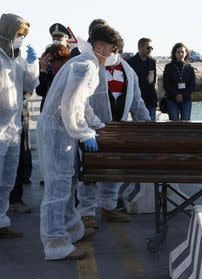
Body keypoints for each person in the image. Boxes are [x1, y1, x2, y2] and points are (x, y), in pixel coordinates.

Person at [37, 24, 123, 260]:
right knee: (58, 186)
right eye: (112, 49)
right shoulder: (86, 67)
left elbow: (81, 103)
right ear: (99, 46)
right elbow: (70, 106)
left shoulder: (85, 63)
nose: (114, 54)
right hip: (58, 129)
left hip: (59, 127)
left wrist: (95, 123)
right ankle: (55, 243)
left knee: (67, 181)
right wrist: (83, 133)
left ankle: (71, 229)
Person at [78, 49, 151, 230]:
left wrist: (147, 123)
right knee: (90, 172)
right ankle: (86, 212)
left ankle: (109, 207)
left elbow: (136, 100)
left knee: (114, 170)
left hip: (119, 130)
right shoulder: (91, 67)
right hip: (93, 130)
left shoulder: (128, 70)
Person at [0, 13, 39, 238]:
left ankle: (2, 221)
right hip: (1, 126)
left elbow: (29, 84)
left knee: (7, 179)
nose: (20, 39)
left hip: (12, 128)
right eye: (18, 35)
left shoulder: (16, 59)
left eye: (23, 36)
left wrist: (32, 64)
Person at [163, 42, 196, 121]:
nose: (180, 54)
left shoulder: (189, 67)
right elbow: (166, 84)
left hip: (186, 99)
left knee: (186, 121)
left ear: (186, 53)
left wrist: (183, 96)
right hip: (172, 99)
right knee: (174, 121)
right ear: (174, 53)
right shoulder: (169, 67)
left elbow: (192, 85)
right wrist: (176, 95)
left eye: (182, 52)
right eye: (178, 52)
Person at [127, 38, 158, 120]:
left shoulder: (152, 62)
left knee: (152, 127)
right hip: (137, 99)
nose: (150, 50)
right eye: (148, 48)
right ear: (140, 47)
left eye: (152, 48)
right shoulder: (130, 62)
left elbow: (153, 80)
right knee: (139, 128)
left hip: (150, 99)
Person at [37, 44, 71, 112]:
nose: (50, 63)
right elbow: (40, 91)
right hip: (48, 112)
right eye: (49, 61)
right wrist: (43, 70)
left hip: (64, 112)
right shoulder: (49, 71)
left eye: (52, 60)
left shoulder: (70, 71)